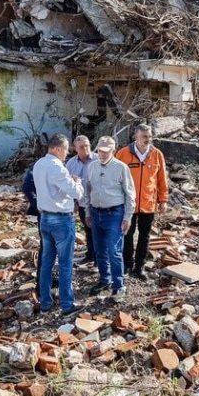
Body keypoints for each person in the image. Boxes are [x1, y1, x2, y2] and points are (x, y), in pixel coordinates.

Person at [32, 133, 84, 315]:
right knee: (65, 263)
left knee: (46, 262)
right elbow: (77, 193)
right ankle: (67, 304)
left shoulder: (39, 164)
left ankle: (45, 302)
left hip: (45, 218)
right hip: (61, 219)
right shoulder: (57, 167)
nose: (67, 153)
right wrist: (77, 183)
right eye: (65, 149)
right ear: (55, 148)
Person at [83, 136, 135, 303]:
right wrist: (87, 213)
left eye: (106, 152)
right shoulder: (91, 167)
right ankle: (105, 279)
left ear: (113, 151)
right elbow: (87, 190)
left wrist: (127, 217)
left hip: (114, 214)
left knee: (114, 250)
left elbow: (130, 194)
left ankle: (118, 285)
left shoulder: (121, 168)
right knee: (99, 250)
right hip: (96, 213)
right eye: (100, 151)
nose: (103, 154)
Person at [116, 124, 169, 280]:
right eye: (144, 136)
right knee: (127, 235)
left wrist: (163, 200)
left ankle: (139, 267)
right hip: (128, 204)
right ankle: (126, 265)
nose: (148, 139)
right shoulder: (123, 154)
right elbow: (115, 179)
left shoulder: (157, 154)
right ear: (136, 137)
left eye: (150, 136)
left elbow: (161, 179)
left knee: (144, 236)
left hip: (148, 203)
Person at [65, 135, 97, 265]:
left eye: (87, 145)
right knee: (88, 230)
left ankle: (100, 260)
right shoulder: (71, 164)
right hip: (83, 203)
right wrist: (74, 202)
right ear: (75, 149)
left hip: (98, 203)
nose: (85, 149)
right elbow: (68, 185)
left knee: (99, 231)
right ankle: (91, 255)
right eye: (82, 147)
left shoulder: (98, 159)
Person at [22, 164, 42, 296]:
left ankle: (46, 279)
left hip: (58, 214)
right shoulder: (38, 166)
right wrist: (37, 204)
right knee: (47, 249)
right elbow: (26, 187)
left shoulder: (62, 166)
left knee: (51, 250)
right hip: (45, 214)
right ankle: (41, 283)